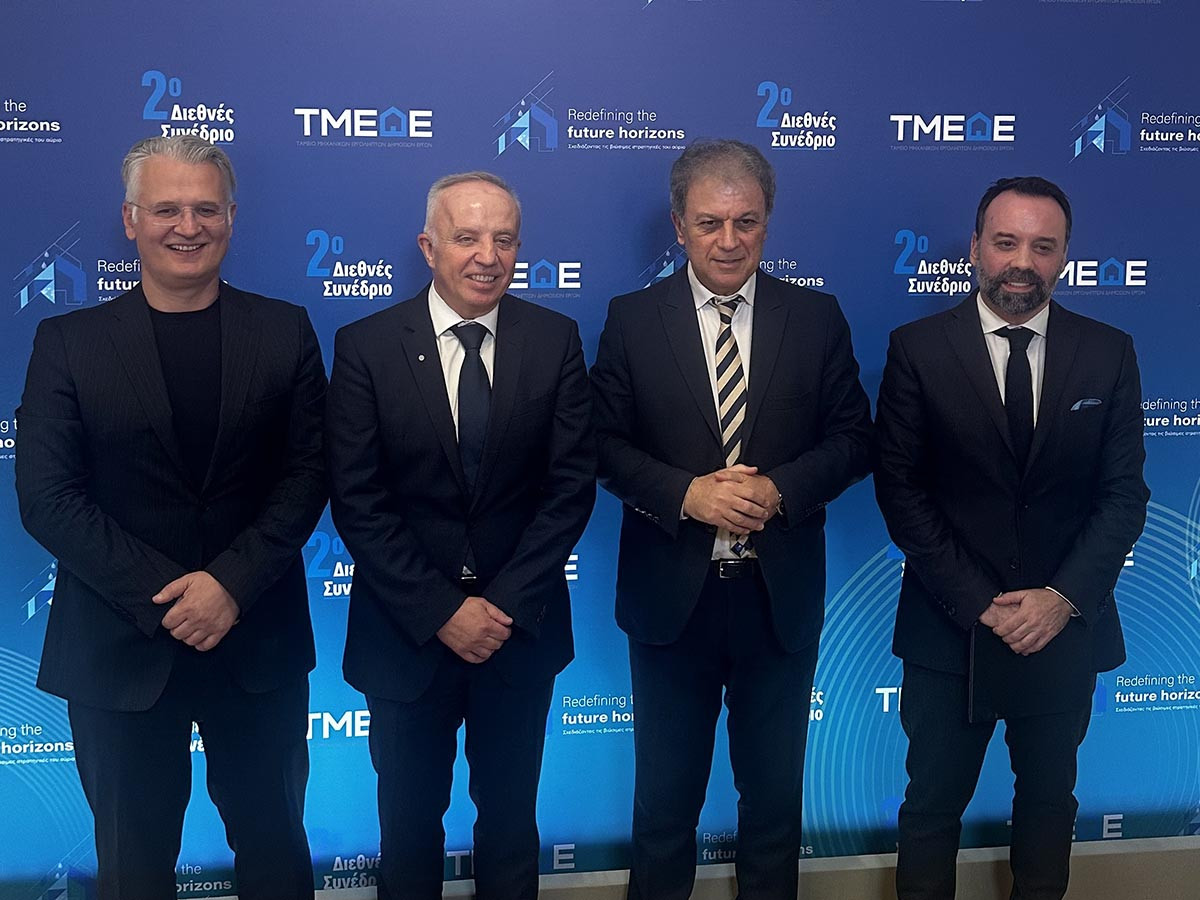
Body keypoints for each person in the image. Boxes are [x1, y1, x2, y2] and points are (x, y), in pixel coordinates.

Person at [16, 135, 327, 900]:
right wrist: (173, 597)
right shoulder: (68, 343)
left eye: (205, 209)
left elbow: (310, 472)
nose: (188, 226)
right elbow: (48, 497)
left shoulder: (285, 330)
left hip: (255, 642)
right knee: (132, 867)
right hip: (119, 648)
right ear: (130, 220)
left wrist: (229, 586)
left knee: (276, 852)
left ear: (231, 218)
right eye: (166, 209)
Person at [590, 139, 873, 899]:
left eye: (746, 222)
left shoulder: (815, 317)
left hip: (776, 602)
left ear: (767, 222)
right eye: (709, 222)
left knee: (774, 806)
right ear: (678, 226)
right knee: (663, 809)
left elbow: (855, 439)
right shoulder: (632, 319)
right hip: (669, 604)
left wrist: (779, 490)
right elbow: (599, 445)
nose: (728, 240)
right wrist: (686, 494)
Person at [874, 176, 1149, 900]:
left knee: (1050, 807)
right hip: (948, 628)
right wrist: (981, 603)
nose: (1022, 261)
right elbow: (901, 492)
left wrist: (1060, 598)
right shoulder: (917, 350)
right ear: (975, 248)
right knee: (931, 809)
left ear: (1064, 257)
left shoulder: (1109, 352)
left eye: (1042, 246)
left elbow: (1125, 495)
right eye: (1006, 242)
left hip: (1065, 625)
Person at [326, 172, 595, 900]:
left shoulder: (555, 341)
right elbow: (358, 498)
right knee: (407, 829)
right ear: (428, 246)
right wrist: (442, 611)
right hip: (405, 637)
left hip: (519, 632)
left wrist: (500, 606)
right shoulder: (366, 346)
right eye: (467, 237)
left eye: (504, 239)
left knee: (510, 826)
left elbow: (570, 487)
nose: (487, 256)